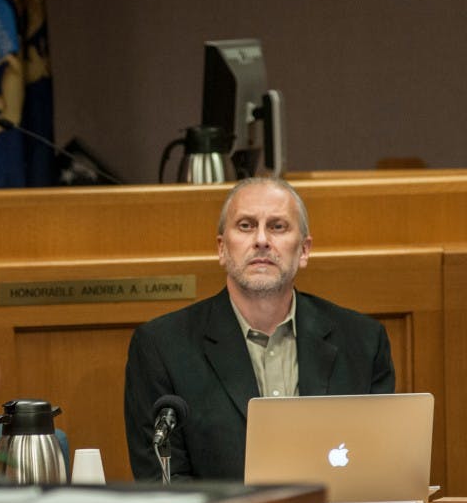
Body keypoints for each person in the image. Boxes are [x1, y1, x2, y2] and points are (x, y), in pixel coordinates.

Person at [124, 177, 394, 481]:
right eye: (246, 226)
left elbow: (377, 470)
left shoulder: (363, 342)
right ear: (222, 249)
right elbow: (164, 483)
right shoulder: (163, 347)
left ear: (304, 250)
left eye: (278, 226)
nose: (262, 240)